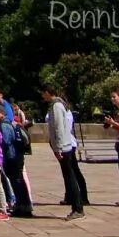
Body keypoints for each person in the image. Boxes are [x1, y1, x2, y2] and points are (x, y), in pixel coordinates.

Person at [40, 86, 85, 219]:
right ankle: (76, 206)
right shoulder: (57, 105)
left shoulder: (57, 106)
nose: (43, 96)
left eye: (44, 93)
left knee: (70, 177)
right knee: (69, 176)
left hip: (64, 147)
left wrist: (58, 147)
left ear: (48, 93)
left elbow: (59, 128)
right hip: (64, 146)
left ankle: (78, 208)